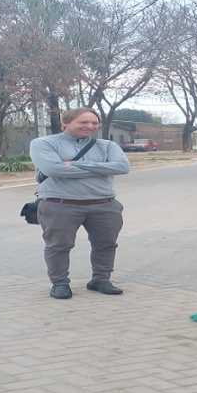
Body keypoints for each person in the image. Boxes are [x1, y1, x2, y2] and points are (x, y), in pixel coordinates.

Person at [30, 108, 130, 299]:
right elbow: (54, 169)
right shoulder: (43, 143)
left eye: (94, 122)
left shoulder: (107, 145)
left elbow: (122, 167)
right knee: (58, 246)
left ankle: (101, 279)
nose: (90, 126)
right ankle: (60, 283)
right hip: (60, 204)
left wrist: (72, 164)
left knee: (106, 244)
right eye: (83, 122)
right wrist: (102, 168)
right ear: (65, 123)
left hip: (104, 204)